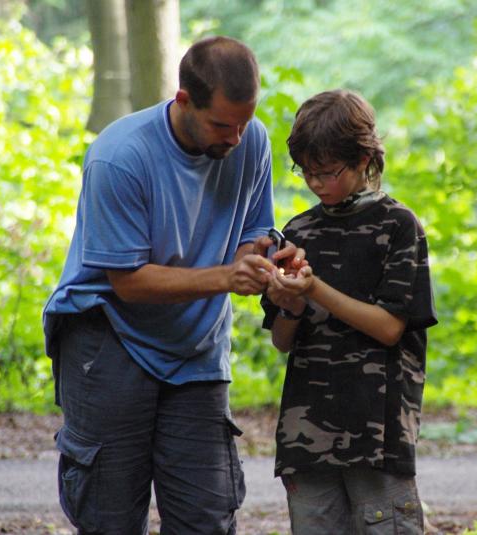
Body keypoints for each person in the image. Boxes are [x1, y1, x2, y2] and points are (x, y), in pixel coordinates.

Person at [42, 36, 303, 535]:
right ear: (183, 101)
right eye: (222, 125)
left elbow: (251, 235)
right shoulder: (119, 157)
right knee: (111, 517)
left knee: (206, 517)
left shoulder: (251, 142)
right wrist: (228, 277)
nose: (236, 137)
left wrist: (264, 265)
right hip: (107, 339)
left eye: (245, 121)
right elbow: (128, 282)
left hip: (196, 349)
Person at [261, 89, 438, 534]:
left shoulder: (398, 226)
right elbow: (282, 341)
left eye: (328, 172)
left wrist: (315, 287)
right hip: (306, 437)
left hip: (377, 433)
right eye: (306, 172)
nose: (317, 183)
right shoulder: (297, 231)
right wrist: (292, 302)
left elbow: (389, 328)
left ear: (364, 160)